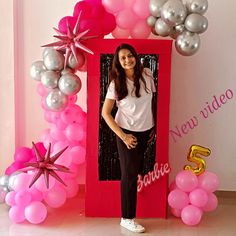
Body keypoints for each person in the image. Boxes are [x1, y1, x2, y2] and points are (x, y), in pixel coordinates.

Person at [101, 43, 156, 233]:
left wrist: (153, 129)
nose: (127, 60)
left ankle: (128, 216)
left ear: (135, 56)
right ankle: (127, 218)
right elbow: (106, 113)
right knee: (129, 176)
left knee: (137, 173)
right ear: (118, 61)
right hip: (127, 134)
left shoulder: (147, 74)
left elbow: (151, 103)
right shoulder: (115, 84)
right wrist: (123, 137)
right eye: (123, 57)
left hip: (146, 132)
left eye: (130, 55)